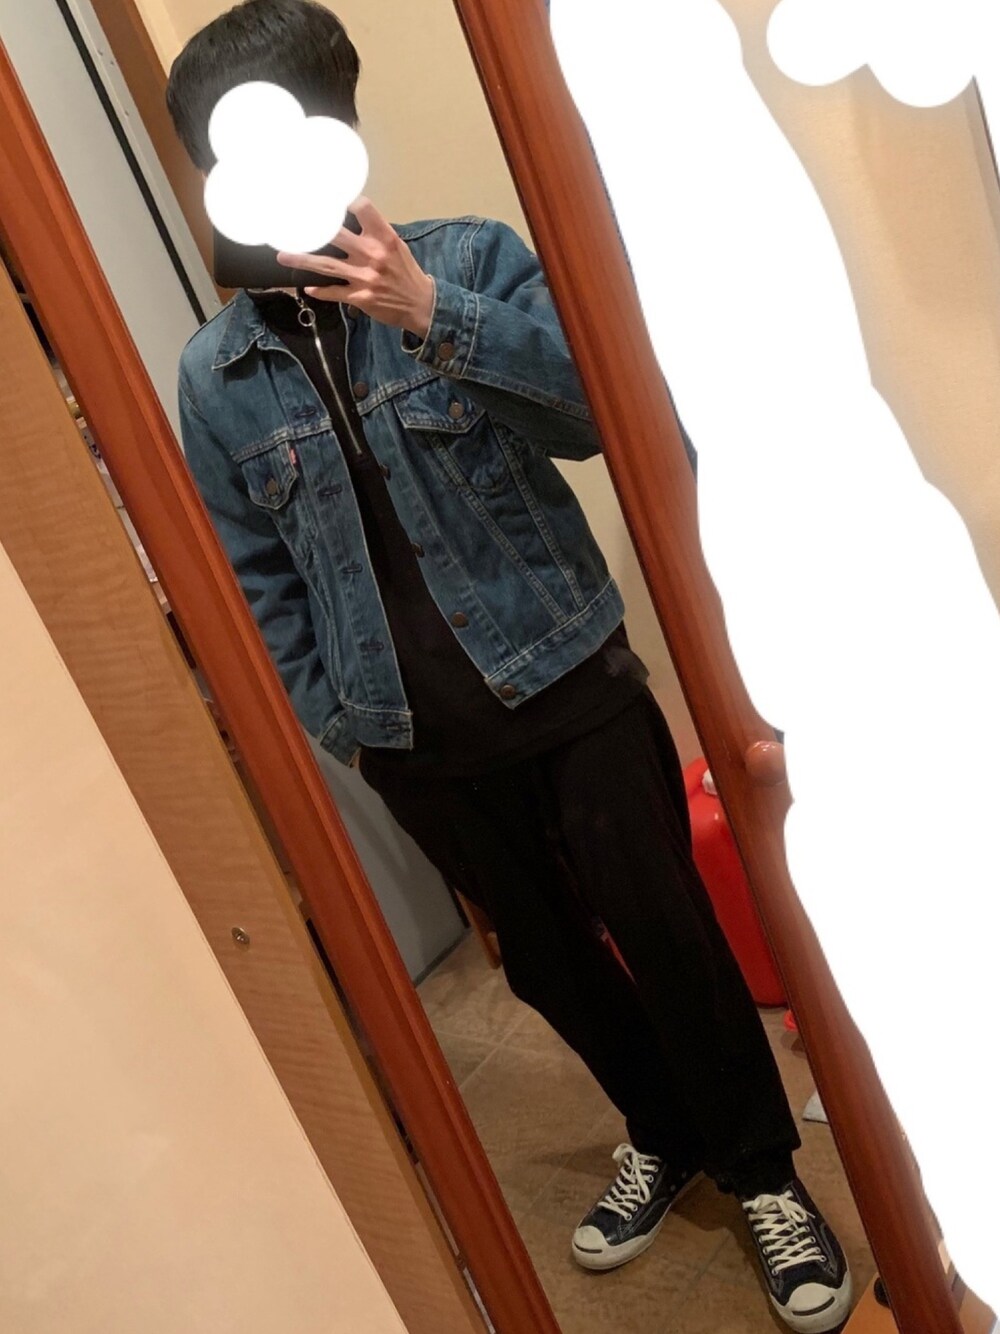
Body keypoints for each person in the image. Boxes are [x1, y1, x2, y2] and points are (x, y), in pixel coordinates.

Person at [166, 3, 850, 1328]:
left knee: (667, 930)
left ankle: (765, 1171)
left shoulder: (471, 258)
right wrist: (341, 724)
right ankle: (665, 1130)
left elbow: (601, 417)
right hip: (412, 737)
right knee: (548, 964)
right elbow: (255, 575)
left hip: (570, 683)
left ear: (339, 134)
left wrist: (433, 313)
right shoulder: (215, 374)